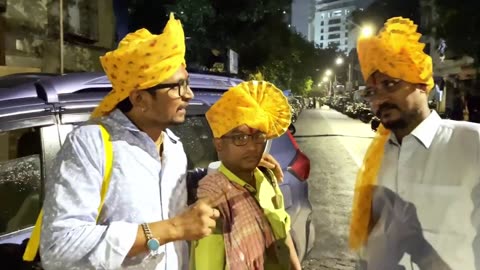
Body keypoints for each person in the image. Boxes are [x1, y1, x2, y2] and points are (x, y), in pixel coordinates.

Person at [38, 14, 282, 270]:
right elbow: (59, 248)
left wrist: (231, 168)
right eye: (178, 86)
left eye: (186, 84)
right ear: (140, 98)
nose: (189, 94)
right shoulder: (91, 144)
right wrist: (174, 229)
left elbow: (170, 188)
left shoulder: (173, 146)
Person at [349, 17, 480, 270]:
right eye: (372, 91)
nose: (380, 99)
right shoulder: (376, 158)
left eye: (390, 84)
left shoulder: (472, 144)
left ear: (421, 82)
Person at [189, 81, 301, 270]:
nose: (252, 147)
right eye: (239, 138)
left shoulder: (266, 176)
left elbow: (284, 233)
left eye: (259, 136)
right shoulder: (213, 200)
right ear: (218, 144)